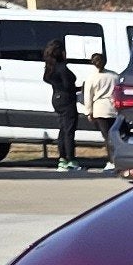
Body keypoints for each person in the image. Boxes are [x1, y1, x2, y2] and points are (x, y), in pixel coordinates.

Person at [45, 42, 88, 172]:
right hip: (66, 100)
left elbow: (48, 79)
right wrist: (81, 88)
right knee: (69, 131)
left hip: (56, 97)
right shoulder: (62, 68)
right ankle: (71, 160)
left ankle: (62, 159)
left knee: (63, 130)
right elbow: (68, 86)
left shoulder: (50, 67)